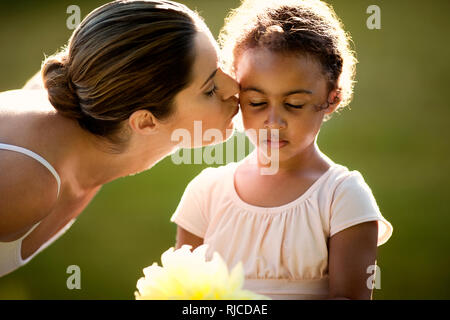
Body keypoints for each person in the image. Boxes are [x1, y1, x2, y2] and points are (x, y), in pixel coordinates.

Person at [171, 0, 393, 300]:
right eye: (257, 103)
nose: (273, 122)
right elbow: (181, 292)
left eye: (294, 104)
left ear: (332, 99)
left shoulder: (341, 197)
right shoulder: (207, 193)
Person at [0, 0, 239, 277]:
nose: (234, 86)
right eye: (209, 89)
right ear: (145, 121)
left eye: (220, 63)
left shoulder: (93, 113)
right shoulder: (23, 184)